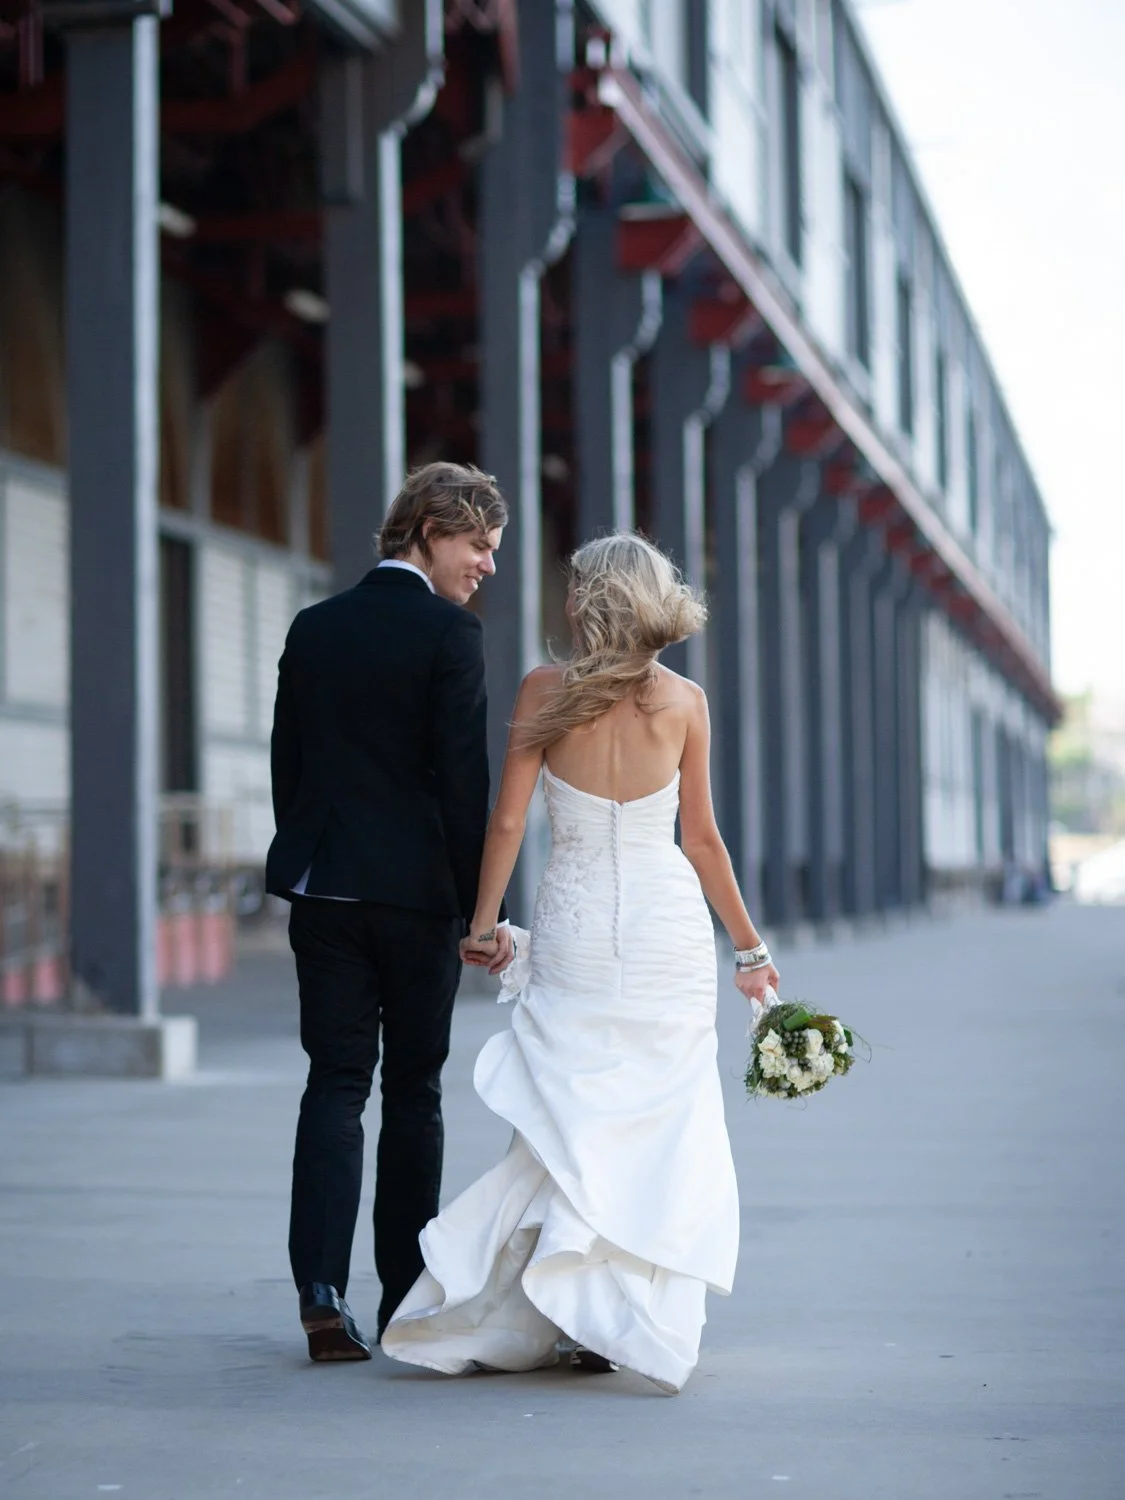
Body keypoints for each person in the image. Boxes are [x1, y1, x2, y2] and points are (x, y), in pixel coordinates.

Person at [381, 532, 779, 1393]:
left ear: (586, 600)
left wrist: (484, 924)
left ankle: (561, 1306)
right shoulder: (683, 701)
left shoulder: (541, 691)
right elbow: (702, 841)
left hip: (572, 927)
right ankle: (619, 1313)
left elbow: (507, 825)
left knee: (570, 1116)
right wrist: (749, 950)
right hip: (666, 931)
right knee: (658, 1121)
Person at [265, 462, 513, 1362]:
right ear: (429, 530)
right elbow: (462, 782)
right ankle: (406, 1295)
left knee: (333, 1083)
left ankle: (320, 1291)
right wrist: (479, 912)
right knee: (413, 1091)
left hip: (324, 888)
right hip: (415, 901)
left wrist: (308, 849)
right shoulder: (451, 635)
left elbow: (285, 761)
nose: (486, 566)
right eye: (477, 546)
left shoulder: (314, 625)